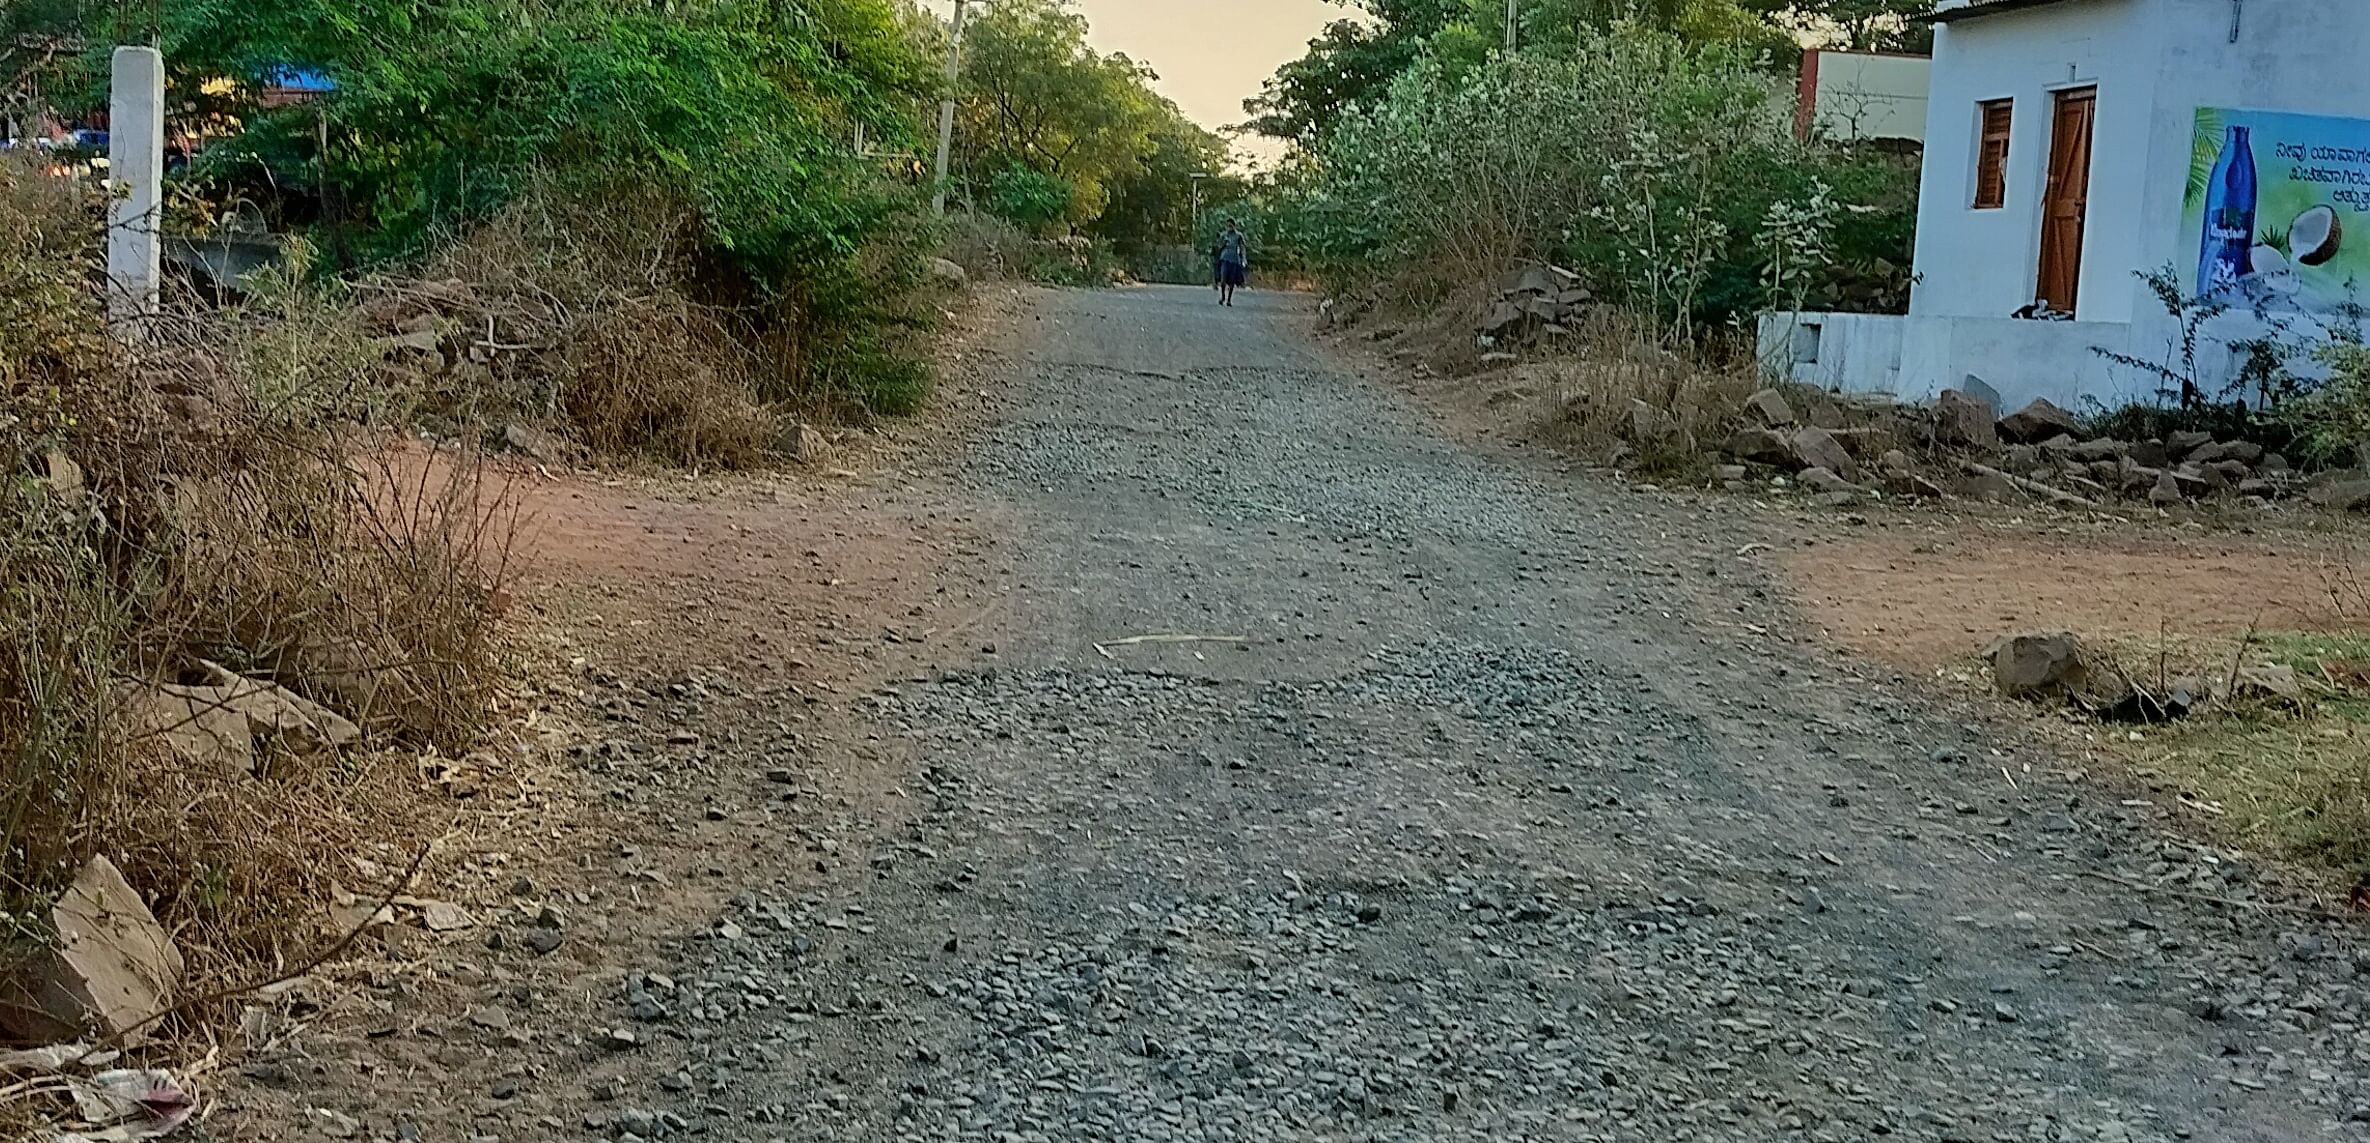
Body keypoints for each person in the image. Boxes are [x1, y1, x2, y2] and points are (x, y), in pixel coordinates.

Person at [1216, 220, 1248, 307]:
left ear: (1234, 226)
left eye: (1231, 226)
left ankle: (1229, 299)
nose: (1229, 227)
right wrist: (1223, 244)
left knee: (1232, 281)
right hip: (1224, 258)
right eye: (1228, 226)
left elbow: (1242, 247)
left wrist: (1244, 259)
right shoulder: (1224, 235)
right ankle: (1222, 297)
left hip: (1234, 259)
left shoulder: (1239, 235)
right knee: (1223, 278)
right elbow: (1218, 246)